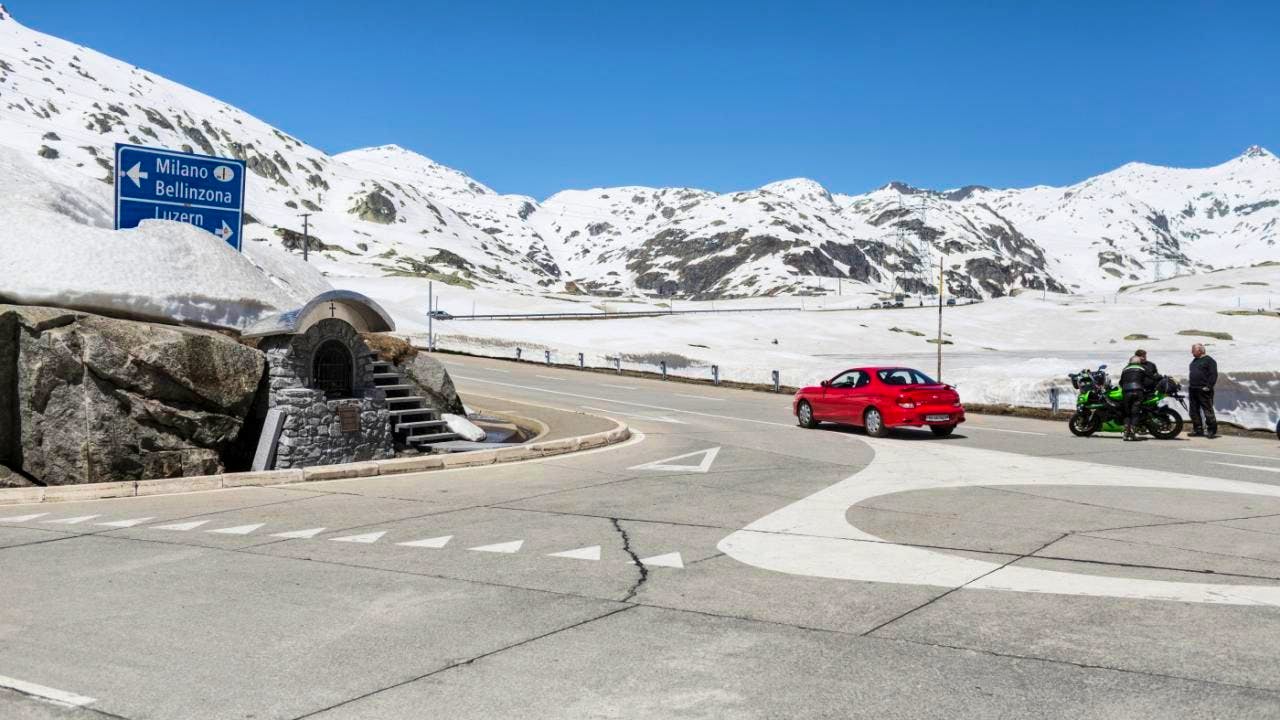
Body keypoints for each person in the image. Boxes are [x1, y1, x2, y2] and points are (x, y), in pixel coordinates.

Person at [1188, 343, 1218, 438]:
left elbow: (1213, 374)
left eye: (1193, 350)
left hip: (1204, 389)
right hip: (1193, 389)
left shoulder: (1209, 361)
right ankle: (1198, 429)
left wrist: (1208, 386)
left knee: (1207, 410)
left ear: (1200, 350)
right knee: (1193, 410)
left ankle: (1211, 430)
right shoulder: (1195, 360)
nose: (1191, 352)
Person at [1119, 355, 1152, 441]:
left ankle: (1126, 433)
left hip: (1126, 392)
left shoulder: (1125, 369)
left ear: (1130, 362)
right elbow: (1151, 379)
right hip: (1138, 391)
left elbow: (1121, 382)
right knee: (1135, 412)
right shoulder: (1142, 368)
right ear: (1139, 362)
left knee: (1127, 413)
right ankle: (1132, 433)